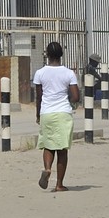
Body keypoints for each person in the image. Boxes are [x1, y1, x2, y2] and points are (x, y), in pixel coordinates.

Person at [33, 41, 80, 192]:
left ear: (47, 54)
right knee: (62, 149)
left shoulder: (40, 73)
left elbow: (39, 97)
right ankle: (59, 184)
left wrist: (38, 114)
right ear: (61, 54)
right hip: (63, 113)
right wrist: (69, 102)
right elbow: (75, 96)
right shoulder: (68, 73)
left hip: (46, 112)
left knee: (48, 145)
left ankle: (47, 169)